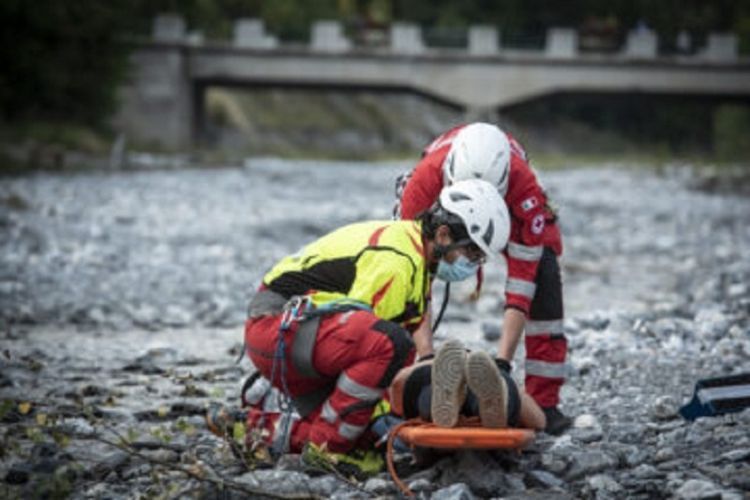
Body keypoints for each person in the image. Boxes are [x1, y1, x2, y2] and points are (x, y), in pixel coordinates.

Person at [223, 179, 510, 476]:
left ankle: (257, 427)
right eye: (472, 255)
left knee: (379, 399)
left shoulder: (415, 257)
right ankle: (328, 449)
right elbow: (374, 344)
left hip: (297, 336)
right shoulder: (396, 263)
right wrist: (391, 417)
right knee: (388, 347)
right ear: (443, 234)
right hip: (276, 329)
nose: (473, 265)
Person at [393, 122, 571, 434]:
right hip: (441, 205)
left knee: (543, 272)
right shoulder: (423, 183)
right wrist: (426, 355)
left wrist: (502, 363)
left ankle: (540, 401)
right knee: (398, 288)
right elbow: (413, 278)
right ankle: (420, 381)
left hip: (513, 209)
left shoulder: (523, 188)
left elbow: (521, 285)